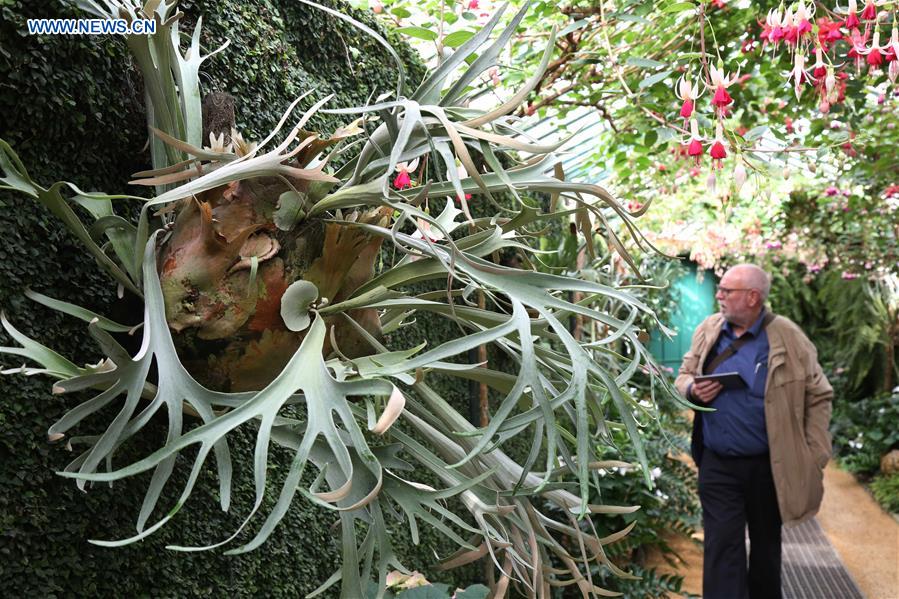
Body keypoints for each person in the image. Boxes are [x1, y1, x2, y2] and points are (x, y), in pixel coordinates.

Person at [675, 264, 833, 599]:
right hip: (718, 463)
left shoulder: (788, 337)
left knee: (765, 549)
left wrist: (815, 453)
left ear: (752, 297)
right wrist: (691, 390)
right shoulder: (709, 329)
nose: (718, 295)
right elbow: (684, 373)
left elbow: (819, 394)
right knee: (721, 549)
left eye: (726, 291)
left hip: (769, 466)